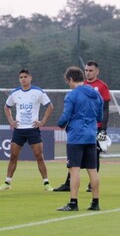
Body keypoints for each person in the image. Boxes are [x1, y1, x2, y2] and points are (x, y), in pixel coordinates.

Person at [53, 60, 111, 192]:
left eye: (91, 70)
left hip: (87, 129)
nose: (88, 73)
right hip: (91, 129)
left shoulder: (101, 86)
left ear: (97, 71)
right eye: (86, 70)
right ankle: (71, 184)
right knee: (82, 162)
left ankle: (85, 190)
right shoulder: (83, 86)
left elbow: (105, 109)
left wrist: (103, 128)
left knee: (82, 162)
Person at [0, 69, 54, 191]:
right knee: (13, 156)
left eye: (25, 77)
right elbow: (6, 107)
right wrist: (11, 121)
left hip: (33, 129)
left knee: (39, 156)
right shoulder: (15, 93)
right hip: (19, 130)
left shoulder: (38, 92)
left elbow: (50, 106)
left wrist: (42, 122)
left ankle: (46, 183)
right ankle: (7, 183)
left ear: (30, 78)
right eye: (21, 77)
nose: (23, 79)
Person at [56, 66, 102, 211]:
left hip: (76, 136)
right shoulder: (97, 95)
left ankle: (73, 203)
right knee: (92, 170)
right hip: (91, 135)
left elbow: (66, 115)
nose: (68, 84)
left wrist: (61, 124)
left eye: (68, 81)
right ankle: (95, 203)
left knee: (74, 169)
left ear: (71, 79)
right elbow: (100, 117)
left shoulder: (72, 95)